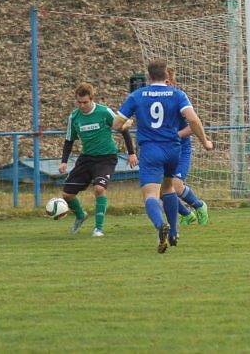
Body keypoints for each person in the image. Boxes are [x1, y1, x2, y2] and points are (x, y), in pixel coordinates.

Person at [112, 59, 214, 253]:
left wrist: (126, 124)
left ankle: (161, 225)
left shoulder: (137, 95)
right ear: (166, 75)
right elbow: (193, 119)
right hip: (173, 150)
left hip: (151, 151)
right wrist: (206, 142)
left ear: (149, 76)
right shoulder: (177, 94)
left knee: (150, 194)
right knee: (168, 187)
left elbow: (117, 124)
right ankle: (174, 232)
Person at [59, 82, 137, 237]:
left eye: (85, 102)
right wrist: (63, 161)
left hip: (106, 158)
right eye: (79, 102)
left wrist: (131, 153)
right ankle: (81, 215)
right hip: (86, 158)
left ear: (92, 99)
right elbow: (69, 140)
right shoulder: (74, 117)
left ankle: (98, 228)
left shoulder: (103, 112)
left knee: (99, 189)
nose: (82, 105)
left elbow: (123, 128)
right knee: (67, 195)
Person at [166, 67, 208, 226]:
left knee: (175, 186)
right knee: (160, 189)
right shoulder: (152, 99)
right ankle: (187, 214)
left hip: (180, 150)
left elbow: (194, 125)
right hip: (162, 150)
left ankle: (199, 205)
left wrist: (176, 135)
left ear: (172, 82)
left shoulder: (179, 99)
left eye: (167, 81)